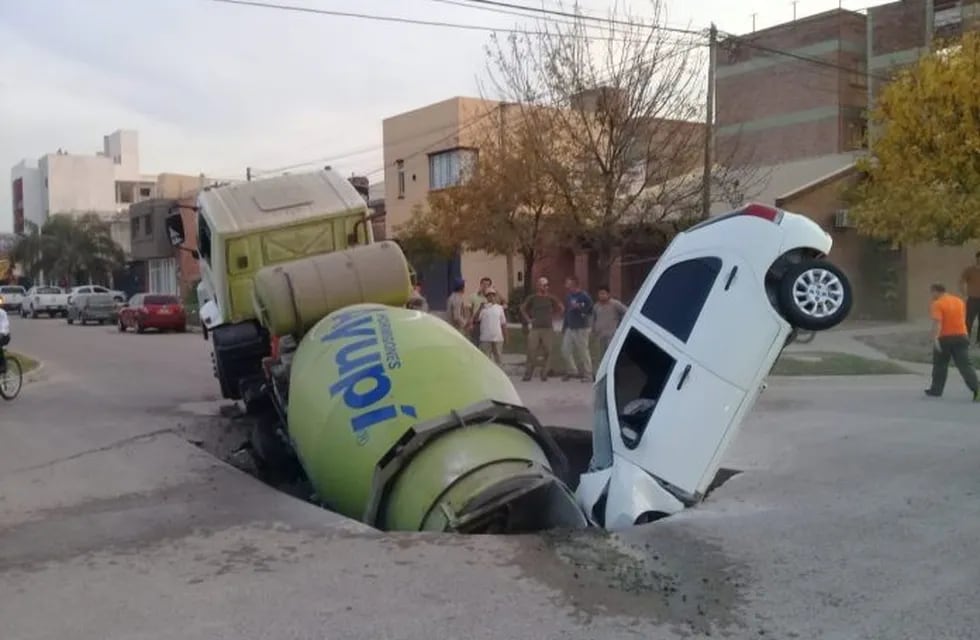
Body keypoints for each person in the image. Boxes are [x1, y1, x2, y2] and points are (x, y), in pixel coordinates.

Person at [925, 283, 979, 400]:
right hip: (962, 336)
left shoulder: (938, 304)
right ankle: (977, 390)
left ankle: (936, 390)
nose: (931, 295)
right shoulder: (958, 301)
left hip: (945, 338)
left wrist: (935, 338)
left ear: (936, 291)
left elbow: (937, 323)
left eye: (932, 292)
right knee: (965, 365)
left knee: (940, 365)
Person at [519, 276, 564, 381]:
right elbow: (522, 308)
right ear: (538, 286)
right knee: (531, 350)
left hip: (548, 328)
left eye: (546, 285)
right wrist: (529, 319)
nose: (545, 287)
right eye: (543, 285)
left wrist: (555, 317)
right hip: (535, 328)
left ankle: (544, 373)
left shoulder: (551, 298)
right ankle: (528, 373)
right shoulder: (532, 298)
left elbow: (561, 307)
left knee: (548, 351)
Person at [561, 275, 594, 382]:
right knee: (565, 350)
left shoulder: (584, 296)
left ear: (574, 284)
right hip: (570, 327)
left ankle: (588, 374)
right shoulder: (568, 296)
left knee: (583, 351)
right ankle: (572, 371)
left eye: (568, 283)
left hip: (581, 328)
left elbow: (590, 310)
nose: (566, 285)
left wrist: (580, 308)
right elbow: (567, 312)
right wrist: (564, 326)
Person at [591, 285, 628, 363]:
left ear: (608, 294)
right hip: (600, 336)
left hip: (611, 335)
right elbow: (594, 319)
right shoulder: (596, 306)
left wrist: (621, 324)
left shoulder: (615, 304)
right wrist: (593, 329)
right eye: (600, 294)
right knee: (601, 357)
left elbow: (626, 312)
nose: (601, 295)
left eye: (603, 293)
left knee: (611, 356)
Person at [477, 289, 508, 366]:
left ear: (495, 296)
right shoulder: (483, 308)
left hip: (497, 338)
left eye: (493, 295)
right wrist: (480, 308)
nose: (491, 297)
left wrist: (506, 336)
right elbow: (477, 319)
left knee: (498, 358)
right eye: (489, 295)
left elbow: (503, 323)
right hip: (485, 338)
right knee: (485, 359)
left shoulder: (500, 308)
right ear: (486, 297)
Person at [960, 251, 980, 344]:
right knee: (969, 320)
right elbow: (962, 281)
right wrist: (964, 294)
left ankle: (978, 341)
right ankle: (966, 340)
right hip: (972, 299)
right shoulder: (969, 270)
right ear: (976, 258)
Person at [467, 276, 493, 345]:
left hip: (488, 324)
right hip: (477, 324)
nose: (485, 286)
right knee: (475, 343)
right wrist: (470, 324)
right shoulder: (473, 296)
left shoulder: (491, 298)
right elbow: (470, 312)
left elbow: (504, 303)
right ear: (480, 285)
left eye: (488, 285)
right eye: (484, 284)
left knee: (486, 346)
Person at [0, 305, 10, 374]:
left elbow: (5, 323)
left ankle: (3, 365)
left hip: (5, 336)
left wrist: (2, 332)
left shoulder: (2, 312)